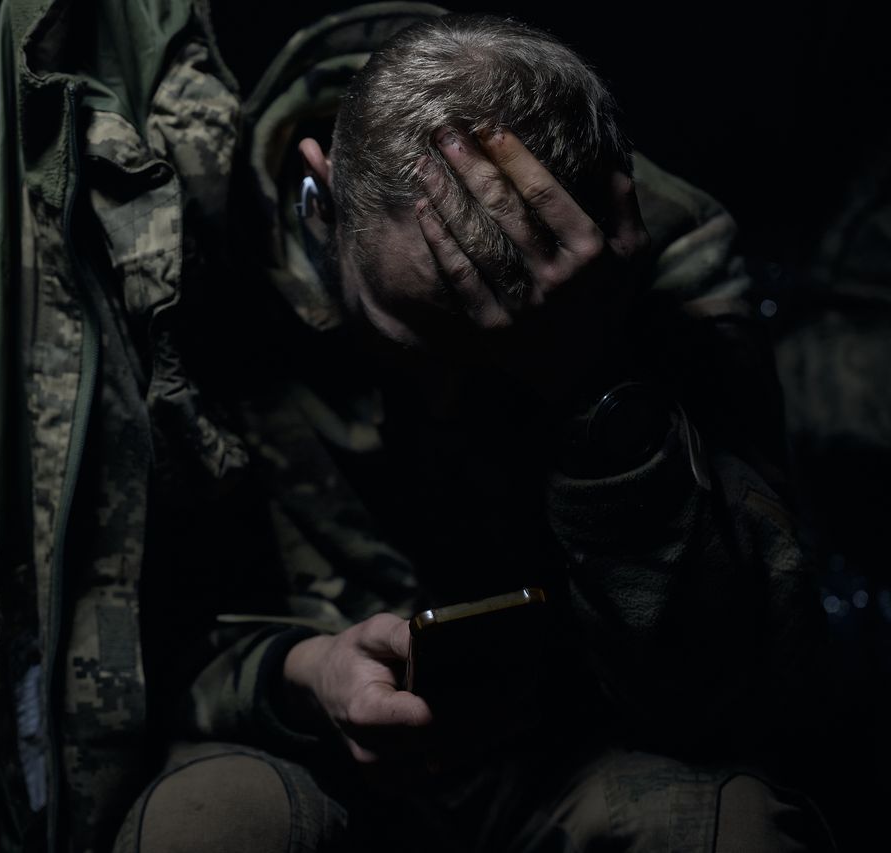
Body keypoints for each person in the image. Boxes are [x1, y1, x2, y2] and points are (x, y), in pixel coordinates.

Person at [114, 9, 832, 852]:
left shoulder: (668, 261)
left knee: (729, 828)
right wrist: (303, 674)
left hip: (560, 750)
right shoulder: (190, 246)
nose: (447, 399)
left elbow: (746, 689)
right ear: (321, 194)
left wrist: (595, 387)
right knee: (207, 822)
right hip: (303, 747)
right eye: (408, 341)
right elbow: (127, 644)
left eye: (496, 360)